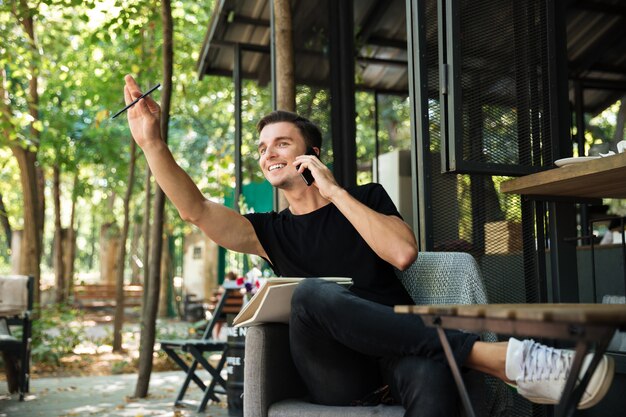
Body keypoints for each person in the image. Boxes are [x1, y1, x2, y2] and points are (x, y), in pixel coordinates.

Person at [121, 75, 614, 415]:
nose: (268, 153)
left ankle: (484, 358)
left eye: (282, 143)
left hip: (401, 356)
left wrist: (334, 192)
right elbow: (195, 210)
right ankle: (500, 358)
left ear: (311, 154)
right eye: (263, 147)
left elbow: (402, 254)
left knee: (431, 374)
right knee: (311, 295)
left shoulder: (365, 198)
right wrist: (151, 144)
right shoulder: (266, 232)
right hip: (336, 374)